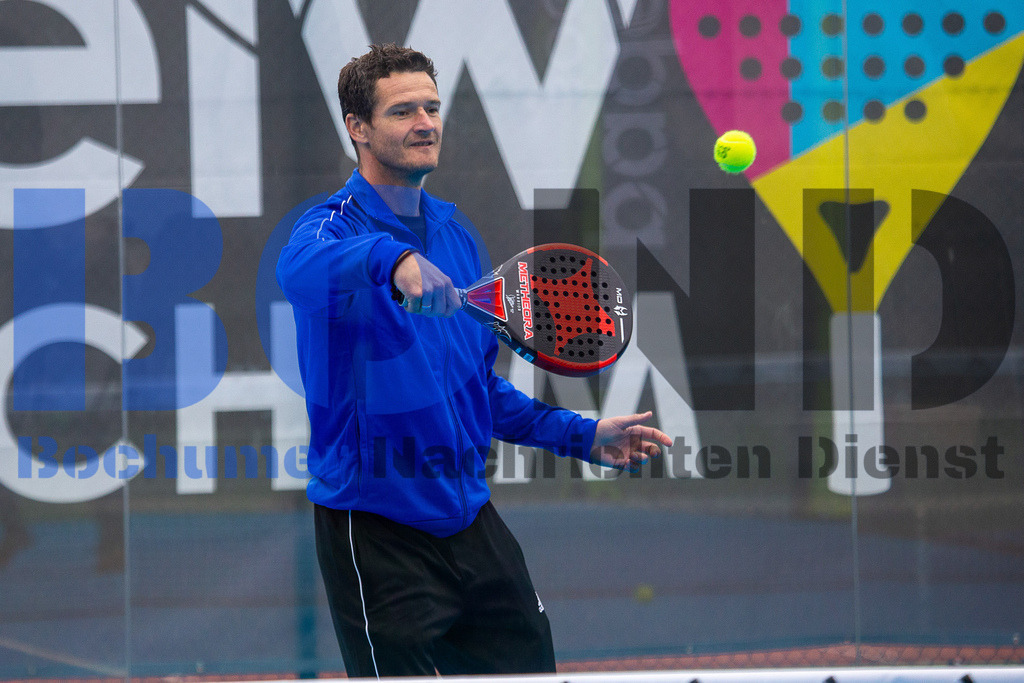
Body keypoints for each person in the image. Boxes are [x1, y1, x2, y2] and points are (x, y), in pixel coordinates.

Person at [276, 43, 670, 678]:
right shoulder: (329, 230)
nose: (426, 122)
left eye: (432, 107)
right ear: (358, 129)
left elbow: (475, 392)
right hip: (375, 532)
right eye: (403, 111)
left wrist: (584, 435)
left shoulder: (456, 237)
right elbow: (295, 270)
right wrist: (392, 260)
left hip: (472, 522)